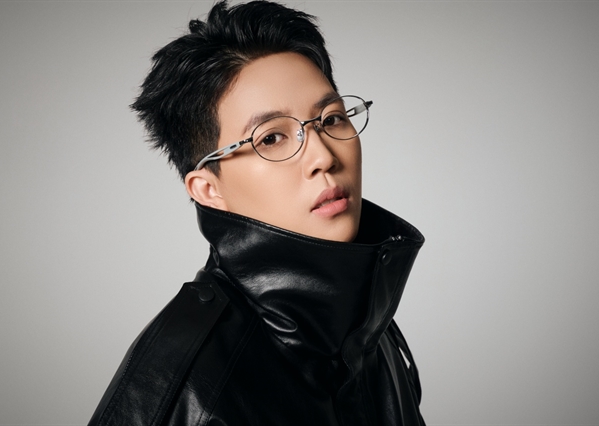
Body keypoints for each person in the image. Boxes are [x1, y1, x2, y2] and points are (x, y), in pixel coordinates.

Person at [89, 1, 426, 425]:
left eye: (331, 119)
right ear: (209, 189)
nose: (323, 156)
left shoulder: (363, 322)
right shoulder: (190, 390)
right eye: (270, 138)